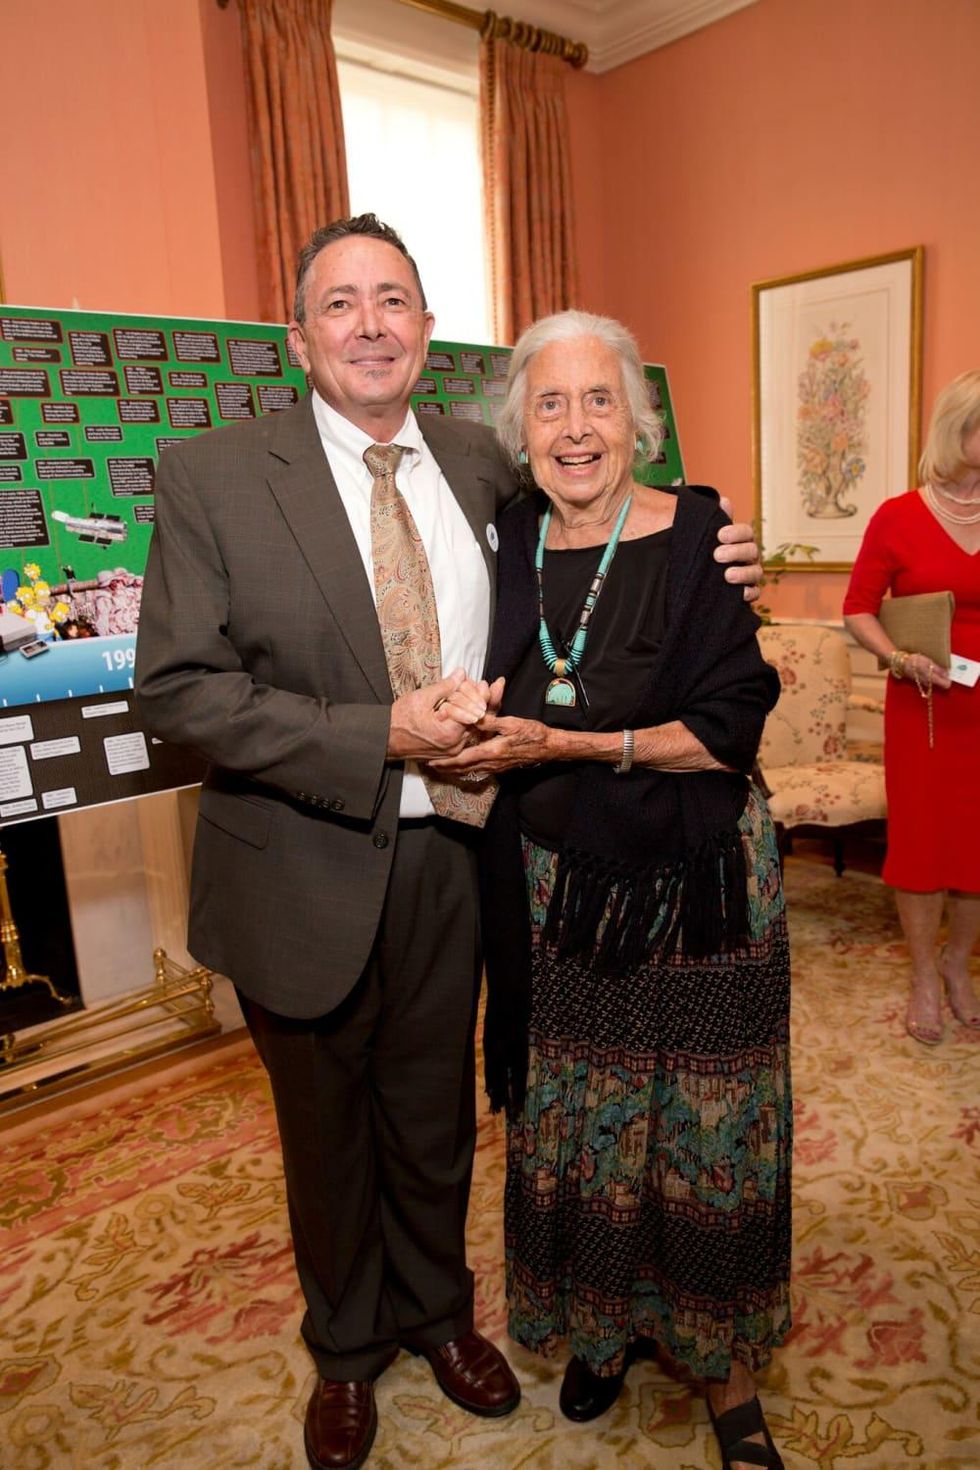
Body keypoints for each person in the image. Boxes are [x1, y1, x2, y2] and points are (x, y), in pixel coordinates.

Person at [134, 216, 764, 1470]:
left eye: (393, 301)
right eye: (340, 304)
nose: (369, 326)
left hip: (460, 857)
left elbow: (609, 522)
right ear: (297, 337)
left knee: (433, 1121)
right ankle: (345, 1349)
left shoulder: (485, 461)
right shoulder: (211, 477)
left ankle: (436, 1317)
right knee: (326, 1139)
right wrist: (377, 733)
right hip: (296, 865)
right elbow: (179, 692)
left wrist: (715, 534)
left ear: (426, 329)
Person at [432, 310, 790, 1470]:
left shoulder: (699, 536)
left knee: (704, 1128)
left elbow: (728, 728)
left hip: (702, 886)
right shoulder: (506, 538)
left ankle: (726, 1376)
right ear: (521, 428)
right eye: (550, 404)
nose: (575, 427)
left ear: (638, 420)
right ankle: (605, 1331)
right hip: (556, 894)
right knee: (585, 1125)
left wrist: (571, 747)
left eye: (598, 401)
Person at [843, 369, 980, 1045]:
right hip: (923, 706)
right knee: (923, 846)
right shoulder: (897, 516)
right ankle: (924, 974)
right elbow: (857, 609)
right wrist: (898, 659)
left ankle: (959, 966)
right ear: (959, 429)